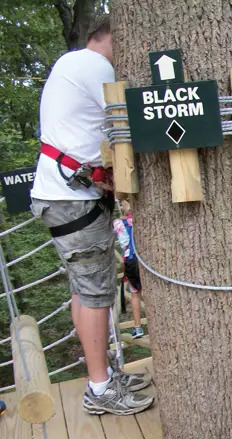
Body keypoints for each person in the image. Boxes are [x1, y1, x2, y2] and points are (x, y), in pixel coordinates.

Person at [29, 15, 152, 416]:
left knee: (86, 291)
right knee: (96, 293)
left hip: (66, 196)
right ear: (113, 38)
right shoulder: (95, 65)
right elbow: (133, 122)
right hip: (72, 200)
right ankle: (101, 389)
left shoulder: (72, 65)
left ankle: (102, 377)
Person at [113, 199, 144, 339]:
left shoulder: (118, 223)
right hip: (144, 259)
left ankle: (138, 327)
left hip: (130, 260)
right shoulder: (141, 219)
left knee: (135, 294)